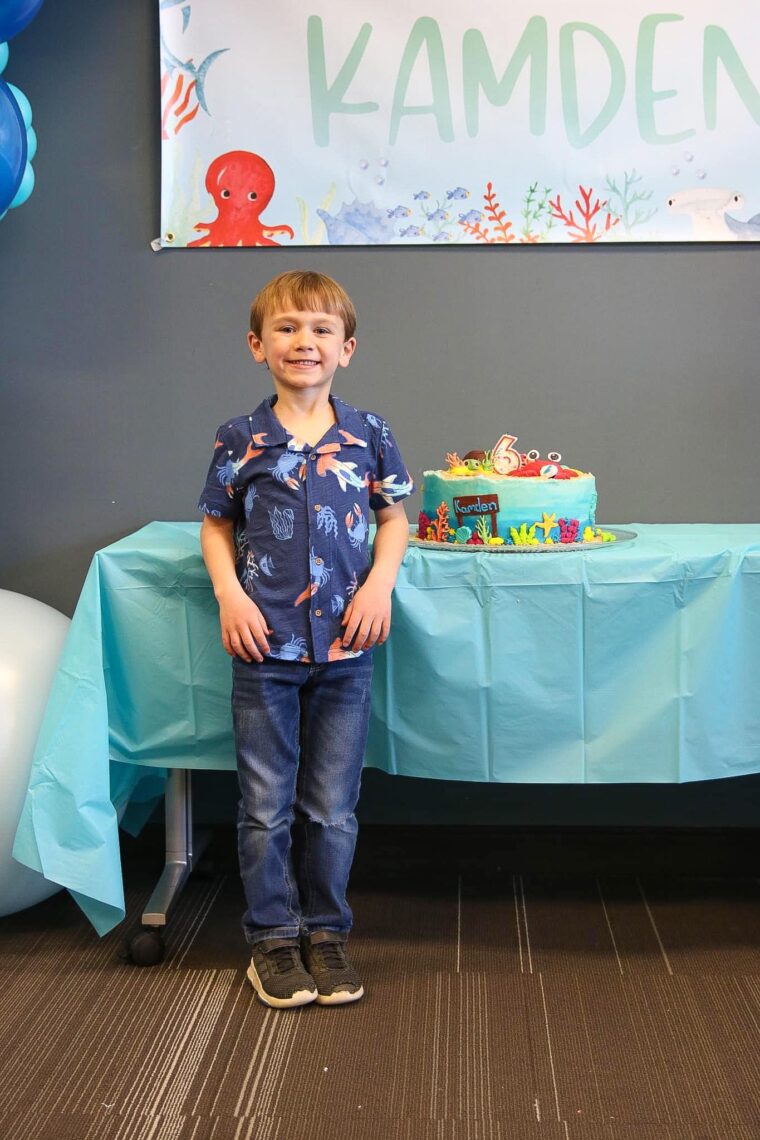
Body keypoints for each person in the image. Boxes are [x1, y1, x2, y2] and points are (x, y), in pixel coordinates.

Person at [198, 270, 413, 1008]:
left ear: (346, 348)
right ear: (258, 345)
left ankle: (326, 932)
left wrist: (380, 584)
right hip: (266, 652)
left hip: (348, 653)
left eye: (322, 330)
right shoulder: (241, 437)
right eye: (287, 329)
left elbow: (393, 517)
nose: (305, 342)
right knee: (264, 803)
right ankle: (271, 942)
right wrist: (230, 594)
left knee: (331, 805)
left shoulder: (370, 435)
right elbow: (217, 522)